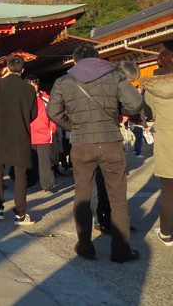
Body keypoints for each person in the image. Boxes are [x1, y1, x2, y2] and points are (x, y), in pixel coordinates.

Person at [47, 45, 143, 263]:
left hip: (81, 144)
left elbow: (53, 112)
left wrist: (74, 126)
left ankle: (85, 246)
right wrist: (118, 113)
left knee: (82, 194)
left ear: (74, 61)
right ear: (98, 58)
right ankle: (120, 251)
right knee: (118, 198)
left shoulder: (63, 81)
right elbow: (135, 104)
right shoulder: (115, 76)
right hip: (110, 141)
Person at [0, 55, 37, 226]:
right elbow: (33, 114)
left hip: (0, 132)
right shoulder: (29, 89)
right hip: (21, 133)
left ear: (7, 68)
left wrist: (0, 121)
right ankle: (20, 214)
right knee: (21, 174)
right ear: (22, 70)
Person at [140, 51, 173, 246]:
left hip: (166, 139)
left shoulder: (152, 86)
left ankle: (166, 232)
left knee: (168, 190)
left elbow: (149, 111)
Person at [25, 75, 57, 193]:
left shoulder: (46, 99)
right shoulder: (23, 99)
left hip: (44, 135)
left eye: (34, 84)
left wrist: (52, 130)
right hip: (28, 135)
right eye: (29, 84)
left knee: (45, 162)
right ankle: (30, 182)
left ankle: (47, 185)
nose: (32, 86)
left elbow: (54, 115)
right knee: (29, 161)